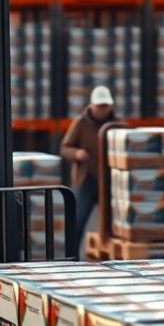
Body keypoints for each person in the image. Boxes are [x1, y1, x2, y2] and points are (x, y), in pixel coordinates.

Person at [60, 86, 117, 254]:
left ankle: (112, 257)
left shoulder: (116, 125)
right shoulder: (80, 124)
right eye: (99, 106)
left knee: (112, 224)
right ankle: (72, 256)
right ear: (92, 106)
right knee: (78, 220)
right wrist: (76, 153)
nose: (102, 110)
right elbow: (64, 147)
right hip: (87, 180)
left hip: (108, 181)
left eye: (105, 106)